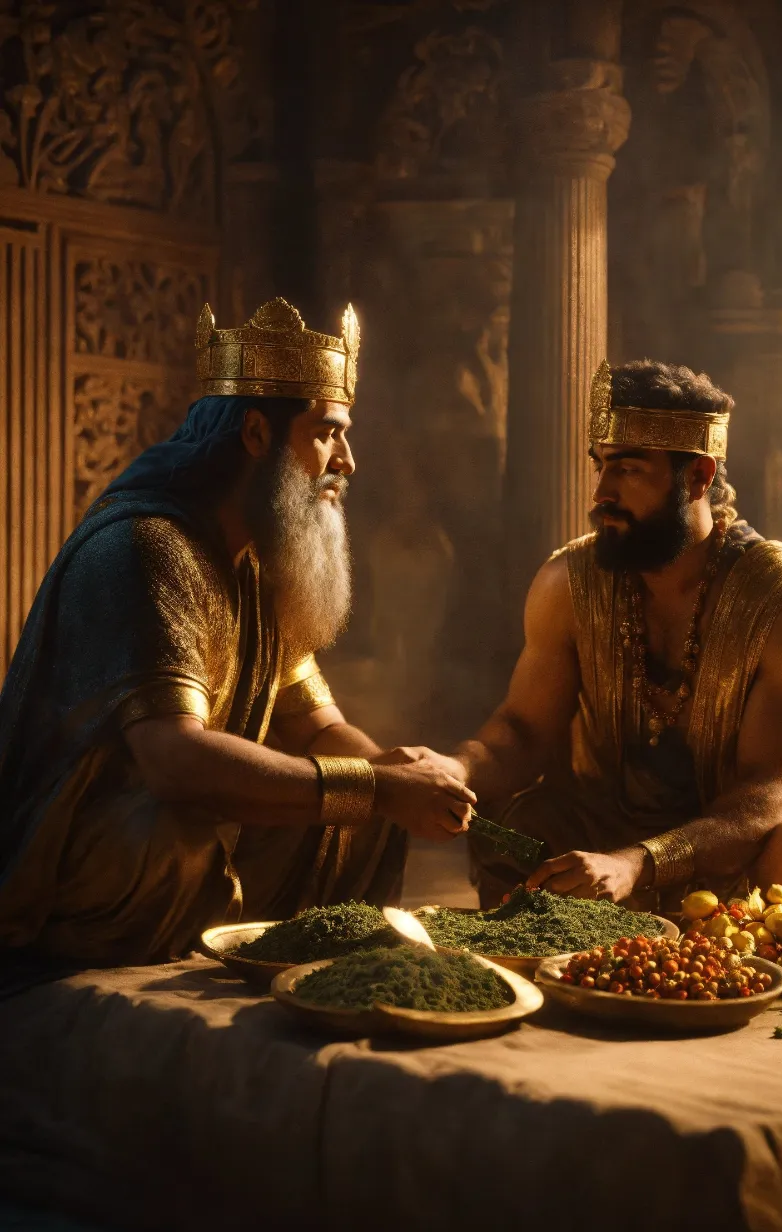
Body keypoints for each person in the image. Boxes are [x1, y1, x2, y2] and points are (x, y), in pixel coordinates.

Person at [0, 297, 474, 967]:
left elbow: (315, 726)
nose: (347, 462)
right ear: (255, 434)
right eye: (326, 433)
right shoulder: (148, 547)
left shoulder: (256, 561)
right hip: (82, 854)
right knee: (177, 837)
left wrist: (396, 775)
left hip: (191, 824)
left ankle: (296, 966)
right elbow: (173, 761)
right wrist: (372, 785)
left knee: (364, 812)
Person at [449, 358, 782, 911]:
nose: (601, 493)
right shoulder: (568, 583)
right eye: (600, 466)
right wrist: (455, 768)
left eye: (628, 470)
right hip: (603, 827)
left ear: (698, 477)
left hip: (730, 842)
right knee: (508, 825)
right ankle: (530, 973)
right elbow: (521, 729)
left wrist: (641, 862)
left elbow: (771, 792)